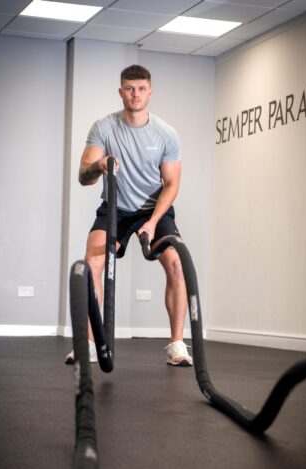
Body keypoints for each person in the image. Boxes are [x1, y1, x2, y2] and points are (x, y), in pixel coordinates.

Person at [65, 64, 192, 367]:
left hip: (154, 208)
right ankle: (91, 345)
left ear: (150, 92)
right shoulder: (104, 127)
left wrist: (151, 222)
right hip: (115, 209)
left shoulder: (166, 133)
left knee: (177, 263)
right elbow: (84, 176)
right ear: (121, 91)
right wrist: (100, 166)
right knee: (92, 263)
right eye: (130, 89)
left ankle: (177, 344)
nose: (136, 95)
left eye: (141, 89)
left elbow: (172, 184)